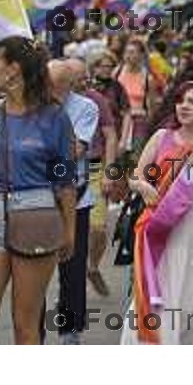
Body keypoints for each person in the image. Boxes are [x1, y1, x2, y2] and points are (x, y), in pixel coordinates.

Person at [0, 37, 76, 345]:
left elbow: (64, 179)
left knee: (25, 324)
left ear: (14, 68)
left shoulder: (54, 118)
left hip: (36, 217)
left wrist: (69, 231)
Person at [121, 81, 193, 345]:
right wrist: (143, 188)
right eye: (180, 100)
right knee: (166, 293)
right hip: (168, 223)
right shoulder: (161, 137)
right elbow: (137, 176)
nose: (184, 106)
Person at [48, 59, 99, 343]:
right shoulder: (32, 103)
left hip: (74, 198)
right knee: (33, 270)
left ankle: (70, 331)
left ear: (69, 86)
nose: (51, 91)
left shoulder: (85, 107)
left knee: (72, 269)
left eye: (57, 86)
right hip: (38, 200)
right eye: (47, 85)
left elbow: (74, 151)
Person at [65, 58, 118, 297]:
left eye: (86, 76)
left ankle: (92, 266)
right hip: (67, 174)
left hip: (94, 169)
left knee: (97, 227)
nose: (85, 82)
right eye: (79, 79)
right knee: (71, 233)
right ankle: (70, 281)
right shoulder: (56, 101)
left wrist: (110, 172)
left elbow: (111, 135)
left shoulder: (96, 100)